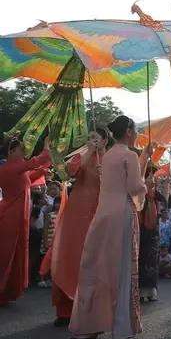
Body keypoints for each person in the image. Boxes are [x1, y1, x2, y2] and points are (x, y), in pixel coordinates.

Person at [70, 116, 147, 339]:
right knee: (122, 268)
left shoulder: (108, 155)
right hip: (121, 214)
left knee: (95, 266)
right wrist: (145, 185)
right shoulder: (129, 155)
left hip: (102, 213)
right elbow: (134, 187)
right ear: (130, 131)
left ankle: (87, 325)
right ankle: (122, 327)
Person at [49, 128, 108, 326]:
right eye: (90, 137)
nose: (92, 141)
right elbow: (69, 172)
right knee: (71, 255)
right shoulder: (81, 155)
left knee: (93, 260)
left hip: (98, 212)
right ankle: (65, 309)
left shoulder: (109, 159)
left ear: (105, 140)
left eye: (96, 138)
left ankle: (90, 310)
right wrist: (89, 152)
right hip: (77, 212)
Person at [0, 137, 51, 306]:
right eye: (20, 149)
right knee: (7, 255)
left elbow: (31, 174)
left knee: (14, 254)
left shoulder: (15, 168)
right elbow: (34, 163)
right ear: (11, 151)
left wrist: (43, 170)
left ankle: (7, 291)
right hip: (11, 215)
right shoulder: (10, 167)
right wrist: (46, 148)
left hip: (17, 215)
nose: (24, 152)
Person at [138, 163, 160, 302]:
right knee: (142, 260)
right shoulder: (140, 193)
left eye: (154, 177)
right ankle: (141, 292)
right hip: (141, 230)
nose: (152, 179)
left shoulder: (156, 196)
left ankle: (151, 291)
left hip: (153, 233)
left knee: (152, 261)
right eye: (150, 176)